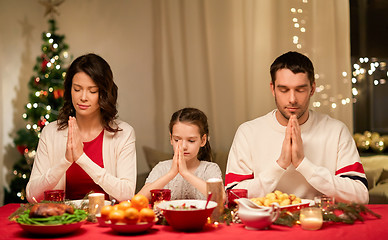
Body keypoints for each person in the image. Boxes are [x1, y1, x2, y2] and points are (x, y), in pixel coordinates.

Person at [225, 51, 369, 203]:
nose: (292, 99)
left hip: (320, 222)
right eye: (284, 90)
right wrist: (280, 165)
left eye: (300, 89)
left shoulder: (336, 131)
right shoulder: (248, 132)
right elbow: (232, 196)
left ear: (312, 89)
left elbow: (360, 195)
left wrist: (303, 164)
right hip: (268, 224)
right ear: (272, 88)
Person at [26, 53, 136, 203]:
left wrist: (82, 159)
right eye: (77, 89)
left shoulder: (124, 133)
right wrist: (65, 161)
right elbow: (32, 195)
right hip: (65, 220)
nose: (83, 97)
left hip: (106, 220)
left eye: (92, 91)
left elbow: (127, 194)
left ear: (103, 93)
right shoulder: (51, 133)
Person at [138, 107, 222, 200]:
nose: (184, 146)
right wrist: (171, 173)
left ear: (203, 140)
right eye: (177, 140)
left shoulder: (210, 169)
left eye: (191, 140)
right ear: (171, 139)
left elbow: (221, 198)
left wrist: (186, 173)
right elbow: (139, 199)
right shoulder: (161, 168)